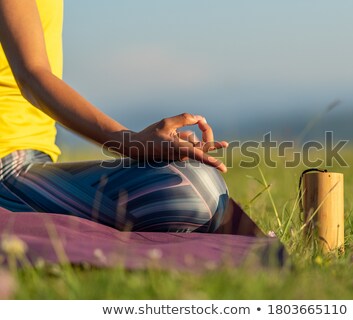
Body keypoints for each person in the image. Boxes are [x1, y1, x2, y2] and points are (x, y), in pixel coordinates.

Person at [0, 0, 231, 233]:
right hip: (5, 169)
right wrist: (132, 143)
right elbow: (31, 75)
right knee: (194, 192)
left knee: (199, 182)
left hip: (34, 163)